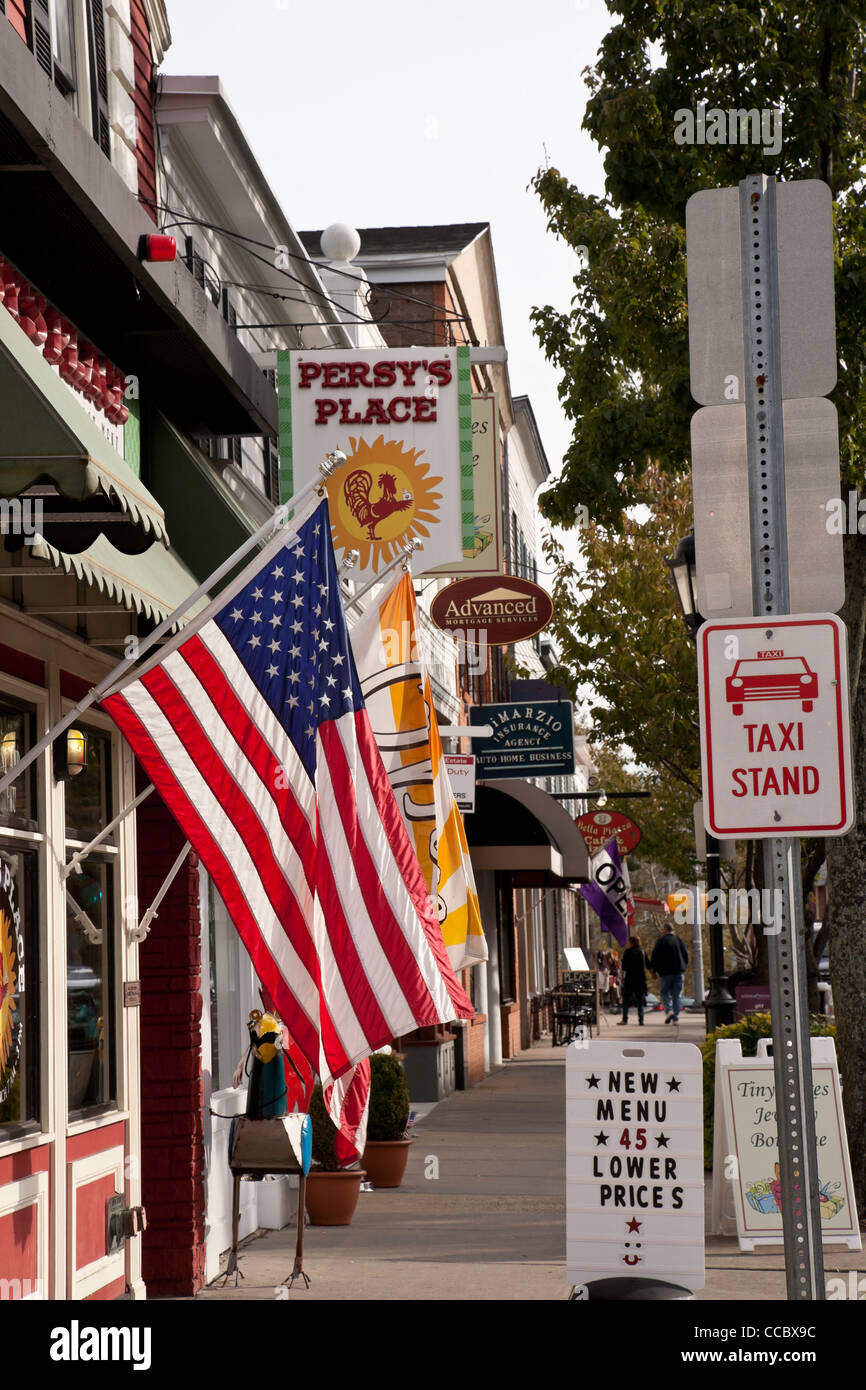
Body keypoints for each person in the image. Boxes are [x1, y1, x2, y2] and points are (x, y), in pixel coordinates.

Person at [650, 922, 689, 1024]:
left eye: (662, 929)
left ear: (665, 930)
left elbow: (654, 957)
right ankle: (675, 1018)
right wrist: (684, 967)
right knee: (677, 995)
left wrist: (653, 971)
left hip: (665, 973)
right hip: (678, 971)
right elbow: (686, 955)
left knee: (664, 993)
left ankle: (669, 1010)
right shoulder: (679, 940)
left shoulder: (661, 941)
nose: (661, 931)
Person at [618, 935, 650, 1025]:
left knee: (626, 1000)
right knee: (640, 1001)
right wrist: (653, 973)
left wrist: (622, 978)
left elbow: (623, 967)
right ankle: (641, 1020)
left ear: (631, 942)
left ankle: (625, 1019)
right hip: (640, 979)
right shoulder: (643, 952)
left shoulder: (628, 952)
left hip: (630, 979)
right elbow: (648, 964)